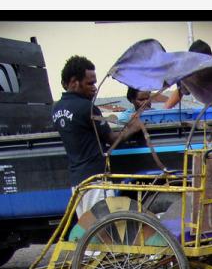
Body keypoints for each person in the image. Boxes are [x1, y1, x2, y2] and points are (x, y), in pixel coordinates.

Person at [52, 55, 143, 219]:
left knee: (89, 228)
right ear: (74, 82)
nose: (94, 88)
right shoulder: (87, 108)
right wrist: (133, 127)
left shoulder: (56, 109)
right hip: (95, 180)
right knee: (105, 228)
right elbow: (112, 139)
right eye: (90, 83)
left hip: (78, 181)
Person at [164, 39, 212, 117]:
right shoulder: (195, 72)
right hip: (211, 113)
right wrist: (164, 111)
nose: (199, 66)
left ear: (210, 58)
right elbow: (180, 91)